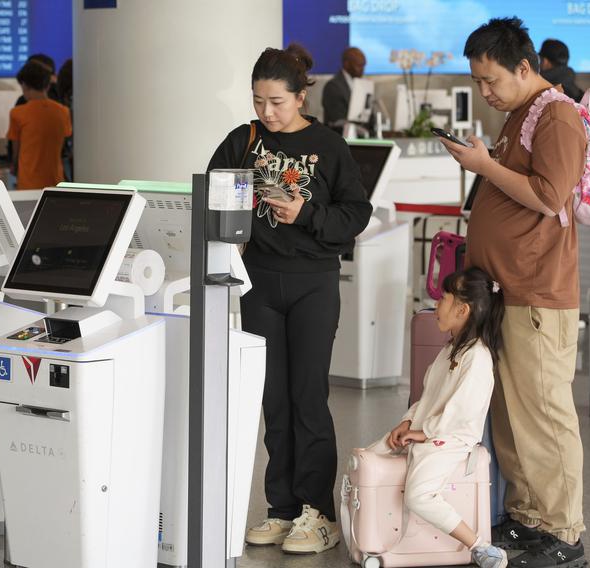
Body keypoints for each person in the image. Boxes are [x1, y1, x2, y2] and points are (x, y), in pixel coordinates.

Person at [207, 44, 372, 555]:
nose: (267, 111)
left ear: (301, 96)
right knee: (272, 401)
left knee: (307, 399)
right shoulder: (243, 140)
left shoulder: (329, 144)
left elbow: (355, 215)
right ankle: (281, 508)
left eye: (277, 101)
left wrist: (305, 215)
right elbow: (212, 195)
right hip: (259, 281)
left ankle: (317, 512)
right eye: (258, 100)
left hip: (313, 283)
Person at [438, 17, 587, 567]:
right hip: (506, 294)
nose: (484, 92)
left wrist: (484, 166)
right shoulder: (519, 115)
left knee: (544, 416)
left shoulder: (559, 117)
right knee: (511, 416)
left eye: (490, 80)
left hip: (538, 294)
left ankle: (565, 533)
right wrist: (486, 160)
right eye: (477, 82)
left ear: (524, 67)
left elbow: (550, 196)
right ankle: (529, 518)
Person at [374, 267, 507, 568]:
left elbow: (462, 411)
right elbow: (429, 396)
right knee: (373, 456)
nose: (436, 304)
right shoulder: (452, 348)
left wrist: (424, 432)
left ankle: (480, 547)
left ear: (463, 309)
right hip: (432, 431)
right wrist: (409, 422)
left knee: (419, 495)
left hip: (452, 440)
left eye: (444, 298)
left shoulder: (478, 357)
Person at [7, 61, 71, 189]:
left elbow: (16, 150)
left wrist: (14, 167)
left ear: (24, 85)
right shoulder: (63, 111)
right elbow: (65, 139)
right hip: (55, 180)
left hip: (28, 182)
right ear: (47, 85)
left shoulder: (17, 113)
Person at [322, 46, 366, 127]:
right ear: (347, 64)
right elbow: (337, 119)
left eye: (363, 65)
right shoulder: (333, 87)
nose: (362, 69)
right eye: (359, 65)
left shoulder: (363, 86)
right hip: (339, 136)